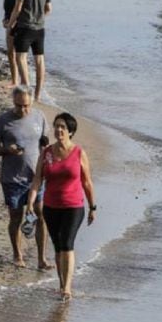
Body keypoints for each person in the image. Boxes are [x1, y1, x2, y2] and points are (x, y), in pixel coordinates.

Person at [26, 113, 97, 300]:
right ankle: (61, 283)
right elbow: (37, 180)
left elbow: (87, 182)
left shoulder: (79, 153)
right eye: (56, 126)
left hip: (73, 206)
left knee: (67, 243)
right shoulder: (47, 153)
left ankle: (67, 287)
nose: (58, 130)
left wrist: (93, 207)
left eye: (63, 127)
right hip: (51, 207)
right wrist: (31, 203)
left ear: (71, 131)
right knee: (58, 247)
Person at [0, 86, 52, 270]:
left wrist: (46, 150)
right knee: (16, 217)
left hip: (36, 177)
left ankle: (42, 259)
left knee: (40, 216)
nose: (22, 110)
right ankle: (17, 255)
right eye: (18, 106)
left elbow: (44, 140)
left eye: (26, 106)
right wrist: (7, 150)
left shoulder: (39, 116)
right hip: (12, 178)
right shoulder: (3, 120)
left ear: (31, 102)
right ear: (13, 102)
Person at [7, 0, 52, 102]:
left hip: (25, 28)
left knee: (21, 57)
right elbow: (48, 9)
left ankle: (26, 89)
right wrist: (39, 17)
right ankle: (38, 95)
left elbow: (17, 8)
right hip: (40, 29)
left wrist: (10, 24)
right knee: (40, 61)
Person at [2, 0, 24, 87]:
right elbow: (6, 9)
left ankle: (23, 81)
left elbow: (21, 10)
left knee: (20, 55)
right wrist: (5, 20)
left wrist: (13, 22)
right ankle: (14, 80)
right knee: (10, 53)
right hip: (9, 25)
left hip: (20, 25)